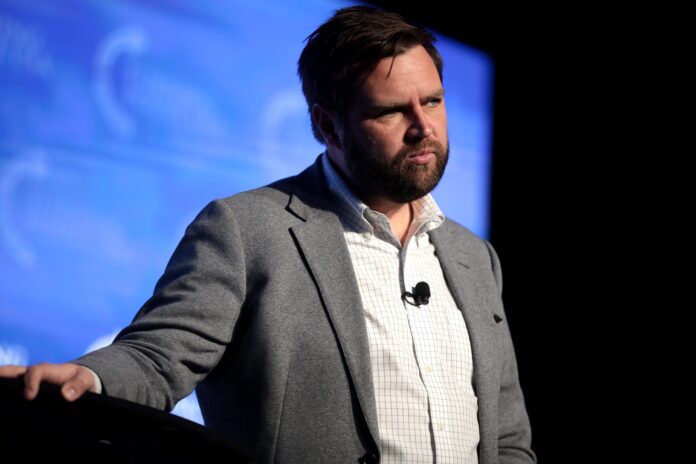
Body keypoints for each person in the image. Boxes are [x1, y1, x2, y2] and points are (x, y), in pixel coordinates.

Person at [0, 6, 535, 464]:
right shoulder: (247, 228)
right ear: (328, 127)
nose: (423, 127)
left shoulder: (473, 257)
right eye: (392, 110)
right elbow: (160, 356)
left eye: (433, 101)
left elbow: (507, 436)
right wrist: (86, 379)